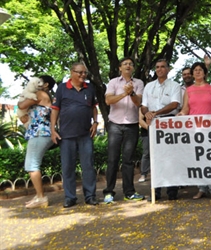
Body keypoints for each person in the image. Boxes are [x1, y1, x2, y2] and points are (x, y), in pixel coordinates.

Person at [50, 63, 99, 208]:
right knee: (68, 167)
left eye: (85, 73)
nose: (83, 75)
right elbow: (55, 110)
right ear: (72, 72)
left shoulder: (89, 88)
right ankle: (70, 197)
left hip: (85, 134)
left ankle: (90, 196)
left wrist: (95, 122)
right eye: (80, 73)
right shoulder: (62, 88)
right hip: (66, 135)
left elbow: (93, 108)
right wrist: (53, 130)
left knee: (88, 166)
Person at [103, 57, 145, 204]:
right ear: (120, 68)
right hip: (115, 125)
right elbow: (108, 100)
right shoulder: (113, 82)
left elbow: (139, 102)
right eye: (125, 64)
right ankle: (109, 192)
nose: (128, 66)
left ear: (133, 68)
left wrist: (132, 93)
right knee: (112, 159)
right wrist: (124, 93)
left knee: (128, 160)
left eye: (131, 64)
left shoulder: (138, 83)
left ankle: (129, 192)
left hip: (132, 125)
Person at [179, 62, 211, 201]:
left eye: (200, 70)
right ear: (192, 74)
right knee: (198, 159)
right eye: (195, 70)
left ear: (205, 73)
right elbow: (185, 109)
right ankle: (202, 188)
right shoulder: (188, 90)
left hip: (209, 129)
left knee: (210, 159)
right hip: (194, 130)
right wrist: (180, 115)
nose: (197, 72)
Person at [140, 59, 182, 201]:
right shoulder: (149, 86)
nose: (160, 69)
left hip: (169, 121)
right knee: (156, 158)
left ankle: (172, 192)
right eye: (157, 67)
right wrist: (146, 113)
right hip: (153, 123)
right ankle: (156, 192)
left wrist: (156, 113)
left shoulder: (175, 86)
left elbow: (174, 104)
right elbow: (144, 105)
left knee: (171, 157)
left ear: (168, 69)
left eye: (163, 67)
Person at [19, 75, 56, 208]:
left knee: (32, 165)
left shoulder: (39, 94)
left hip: (39, 133)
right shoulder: (46, 96)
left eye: (40, 81)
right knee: (33, 164)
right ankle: (38, 195)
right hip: (42, 132)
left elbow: (21, 104)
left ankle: (41, 197)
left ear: (46, 85)